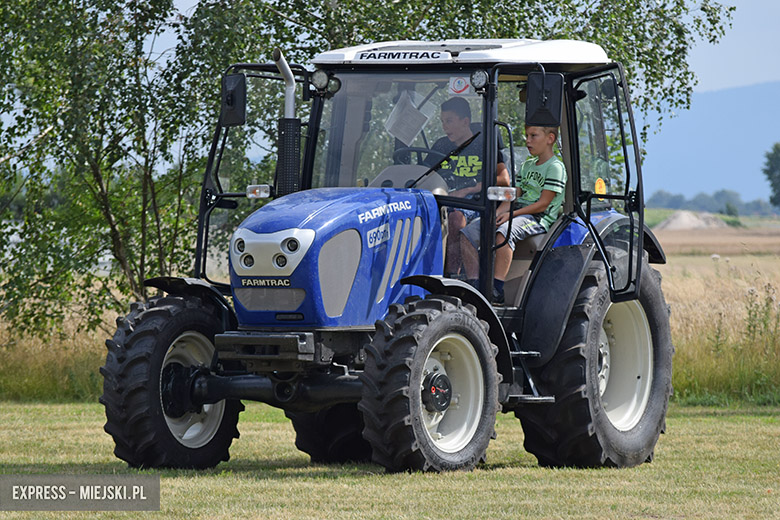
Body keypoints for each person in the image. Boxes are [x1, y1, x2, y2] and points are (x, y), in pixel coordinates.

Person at [460, 125, 567, 303]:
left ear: (550, 139)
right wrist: (498, 213)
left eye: (533, 136)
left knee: (504, 232)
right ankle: (474, 285)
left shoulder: (555, 167)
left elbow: (543, 204)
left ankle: (496, 289)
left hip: (538, 217)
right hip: (517, 211)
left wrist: (511, 215)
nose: (527, 140)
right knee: (468, 232)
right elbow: (514, 194)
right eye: (526, 135)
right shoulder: (527, 165)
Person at [426, 97, 509, 276]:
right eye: (442, 121)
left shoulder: (484, 145)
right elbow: (425, 175)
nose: (444, 126)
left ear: (465, 121)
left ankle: (452, 278)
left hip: (475, 202)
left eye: (449, 121)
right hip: (442, 199)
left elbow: (503, 179)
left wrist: (469, 190)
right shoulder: (441, 145)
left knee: (455, 218)